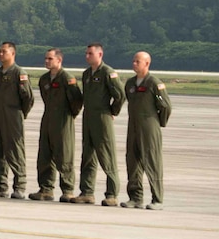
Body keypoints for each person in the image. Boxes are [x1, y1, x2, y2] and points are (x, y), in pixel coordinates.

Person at [73, 42, 126, 206]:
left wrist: (112, 111)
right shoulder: (87, 74)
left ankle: (112, 194)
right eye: (86, 53)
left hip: (102, 117)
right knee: (88, 156)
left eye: (90, 53)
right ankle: (87, 192)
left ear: (100, 54)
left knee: (106, 155)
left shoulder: (108, 73)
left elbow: (120, 95)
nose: (87, 56)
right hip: (88, 117)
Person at [31, 48, 83, 202]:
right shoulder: (44, 79)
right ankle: (46, 189)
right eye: (46, 58)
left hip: (63, 120)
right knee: (45, 155)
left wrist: (69, 115)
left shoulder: (67, 78)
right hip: (48, 118)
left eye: (50, 59)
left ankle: (67, 189)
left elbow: (77, 100)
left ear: (59, 60)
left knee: (64, 155)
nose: (47, 61)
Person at [122, 51, 172, 210]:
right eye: (133, 61)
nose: (134, 64)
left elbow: (165, 106)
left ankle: (157, 199)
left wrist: (158, 123)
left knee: (152, 161)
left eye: (138, 61)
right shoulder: (130, 84)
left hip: (149, 128)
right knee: (133, 161)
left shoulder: (154, 84)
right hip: (133, 127)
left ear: (147, 64)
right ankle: (135, 198)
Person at [0, 42, 34, 199]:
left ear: (13, 54)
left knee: (15, 151)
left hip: (13, 116)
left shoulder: (19, 73)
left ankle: (19, 186)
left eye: (4, 52)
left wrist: (20, 114)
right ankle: (0, 186)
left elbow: (28, 98)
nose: (1, 54)